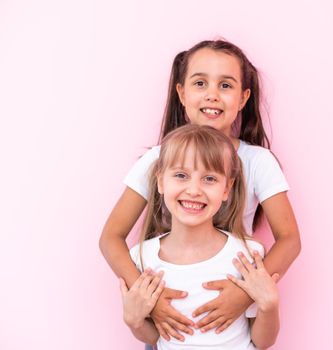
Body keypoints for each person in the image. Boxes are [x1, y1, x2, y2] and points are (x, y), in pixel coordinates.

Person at [99, 39, 300, 342]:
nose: (212, 95)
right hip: (172, 321)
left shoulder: (257, 161)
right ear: (181, 92)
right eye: (200, 83)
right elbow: (111, 237)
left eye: (226, 85)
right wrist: (149, 299)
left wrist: (244, 294)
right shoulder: (157, 159)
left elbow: (289, 239)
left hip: (229, 322)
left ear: (244, 97)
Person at [119, 125, 280, 349]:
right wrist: (134, 321)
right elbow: (155, 337)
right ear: (160, 181)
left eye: (209, 179)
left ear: (226, 189)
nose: (194, 190)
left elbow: (263, 341)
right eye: (181, 176)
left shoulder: (245, 255)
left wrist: (269, 306)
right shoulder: (141, 257)